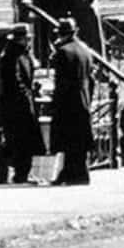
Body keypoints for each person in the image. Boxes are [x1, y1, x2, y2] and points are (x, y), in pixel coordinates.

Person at [0, 24, 47, 184]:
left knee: (25, 140)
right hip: (16, 106)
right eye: (26, 38)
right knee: (19, 140)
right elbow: (14, 81)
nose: (28, 40)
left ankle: (24, 172)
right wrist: (26, 96)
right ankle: (20, 173)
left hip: (23, 103)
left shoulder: (23, 54)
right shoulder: (11, 55)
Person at [49, 17, 97, 186]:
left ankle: (70, 173)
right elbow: (92, 80)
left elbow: (61, 81)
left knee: (69, 140)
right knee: (79, 140)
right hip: (82, 100)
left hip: (68, 101)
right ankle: (78, 173)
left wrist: (55, 101)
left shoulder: (63, 52)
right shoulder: (85, 50)